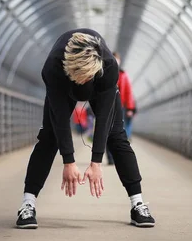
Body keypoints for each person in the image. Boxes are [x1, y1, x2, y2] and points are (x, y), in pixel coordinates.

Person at [15, 29, 155, 229]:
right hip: (63, 87)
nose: (83, 81)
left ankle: (138, 204)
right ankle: (27, 205)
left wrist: (96, 161)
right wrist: (68, 161)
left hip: (101, 85)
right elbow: (60, 119)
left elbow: (104, 118)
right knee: (48, 137)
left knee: (117, 137)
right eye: (80, 77)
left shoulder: (109, 67)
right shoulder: (53, 68)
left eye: (86, 77)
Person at [106, 51, 136, 165]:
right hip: (107, 106)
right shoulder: (104, 73)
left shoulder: (123, 75)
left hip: (120, 107)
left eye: (116, 60)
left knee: (118, 132)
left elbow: (128, 92)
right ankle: (110, 158)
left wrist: (129, 108)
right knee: (106, 132)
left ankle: (117, 156)